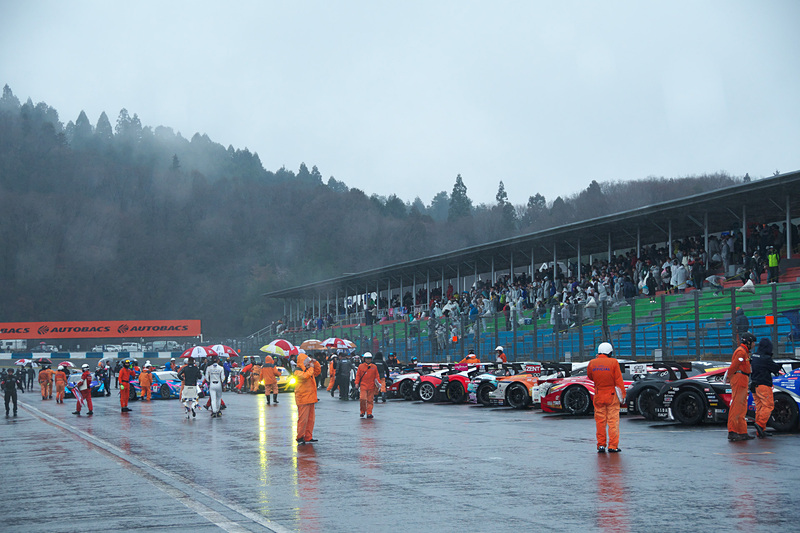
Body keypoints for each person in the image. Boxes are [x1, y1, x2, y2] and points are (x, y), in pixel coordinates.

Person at [587, 342, 625, 453]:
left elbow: (590, 376)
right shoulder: (613, 362)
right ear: (609, 352)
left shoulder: (592, 363)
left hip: (598, 395)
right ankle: (613, 446)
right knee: (613, 422)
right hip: (611, 395)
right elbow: (618, 380)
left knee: (600, 422)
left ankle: (601, 445)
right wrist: (622, 396)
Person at [727, 332, 756, 441]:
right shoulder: (741, 352)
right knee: (736, 406)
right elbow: (734, 366)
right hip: (739, 379)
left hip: (743, 379)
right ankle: (732, 431)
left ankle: (742, 431)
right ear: (748, 342)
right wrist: (729, 377)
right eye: (753, 342)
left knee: (742, 408)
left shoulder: (744, 352)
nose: (754, 345)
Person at [750, 338, 782, 438]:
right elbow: (775, 368)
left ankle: (760, 431)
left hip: (754, 385)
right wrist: (779, 365)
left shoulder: (754, 356)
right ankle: (760, 425)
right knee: (768, 406)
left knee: (759, 407)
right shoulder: (766, 358)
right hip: (763, 385)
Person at [294, 353, 321, 444]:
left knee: (310, 420)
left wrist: (315, 363)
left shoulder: (308, 370)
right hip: (303, 399)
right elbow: (305, 376)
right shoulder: (297, 371)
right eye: (305, 361)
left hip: (310, 398)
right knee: (303, 420)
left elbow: (317, 372)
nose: (307, 363)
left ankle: (308, 436)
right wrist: (311, 367)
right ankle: (300, 437)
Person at [355, 352, 380, 418]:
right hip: (363, 385)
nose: (368, 360)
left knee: (370, 400)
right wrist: (356, 383)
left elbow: (377, 376)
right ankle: (362, 411)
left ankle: (369, 413)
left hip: (371, 385)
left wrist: (379, 384)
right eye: (367, 358)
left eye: (369, 358)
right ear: (364, 359)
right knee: (362, 399)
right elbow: (358, 375)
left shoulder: (374, 367)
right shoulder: (361, 366)